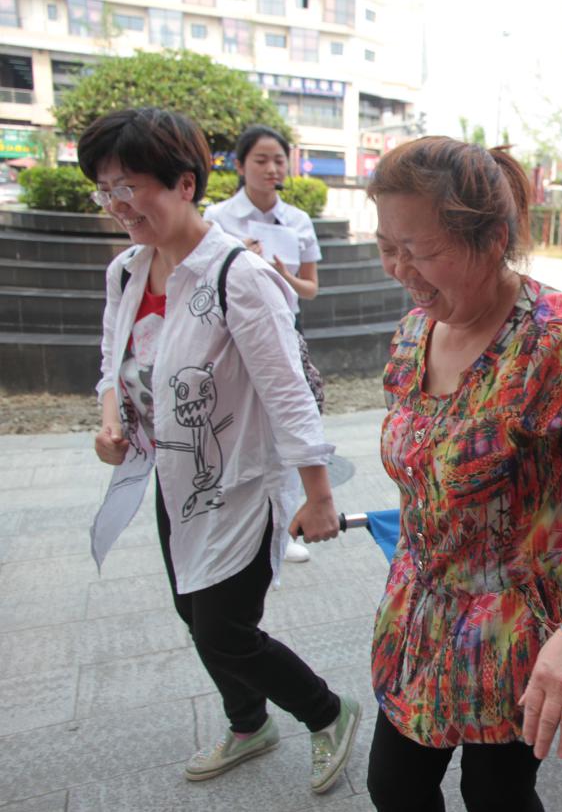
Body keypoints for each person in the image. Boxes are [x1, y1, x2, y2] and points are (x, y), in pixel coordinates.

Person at [366, 136, 562, 811]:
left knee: (496, 795)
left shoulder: (552, 338)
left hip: (513, 631)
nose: (399, 268)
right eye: (385, 245)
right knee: (393, 786)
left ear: (492, 237)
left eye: (417, 250)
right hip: (420, 611)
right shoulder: (414, 331)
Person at [83, 108, 359, 793]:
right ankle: (248, 722)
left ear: (183, 183)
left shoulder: (237, 275)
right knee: (192, 613)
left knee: (225, 628)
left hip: (244, 483)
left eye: (131, 187)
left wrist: (318, 494)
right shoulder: (126, 271)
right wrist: (111, 421)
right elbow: (110, 359)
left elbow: (288, 392)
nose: (119, 205)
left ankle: (328, 711)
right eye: (106, 189)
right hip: (172, 477)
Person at [205, 125, 323, 564]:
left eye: (279, 160)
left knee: (287, 427)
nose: (273, 169)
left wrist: (279, 272)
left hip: (284, 331)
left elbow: (309, 289)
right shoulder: (217, 219)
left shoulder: (297, 220)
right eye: (261, 160)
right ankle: (231, 516)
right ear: (239, 166)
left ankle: (284, 526)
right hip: (231, 337)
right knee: (235, 425)